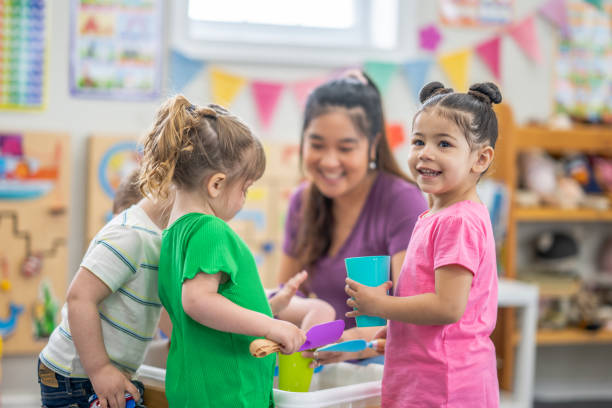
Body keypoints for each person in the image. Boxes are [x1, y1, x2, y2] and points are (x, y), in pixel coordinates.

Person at [138, 95, 307, 407]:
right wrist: (270, 326)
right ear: (216, 185)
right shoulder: (210, 230)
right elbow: (198, 301)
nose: (243, 199)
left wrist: (270, 307)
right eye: (244, 189)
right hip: (229, 391)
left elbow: (208, 311)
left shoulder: (172, 236)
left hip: (199, 386)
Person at [345, 81, 502, 407]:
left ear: (480, 158)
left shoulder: (458, 221)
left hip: (448, 381)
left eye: (444, 144)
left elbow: (448, 307)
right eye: (419, 141)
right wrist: (402, 331)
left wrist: (381, 306)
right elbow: (432, 301)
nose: (425, 153)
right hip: (426, 373)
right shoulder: (436, 215)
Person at [278, 72, 427, 365]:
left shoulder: (402, 201)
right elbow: (284, 298)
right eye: (317, 145)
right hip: (320, 361)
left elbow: (413, 313)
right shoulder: (302, 201)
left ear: (373, 145)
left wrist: (348, 344)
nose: (329, 161)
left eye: (345, 148)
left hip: (382, 363)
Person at [38, 171, 173, 408]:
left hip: (95, 374)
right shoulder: (131, 234)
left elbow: (160, 312)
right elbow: (79, 298)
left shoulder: (156, 241)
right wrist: (100, 369)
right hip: (77, 376)